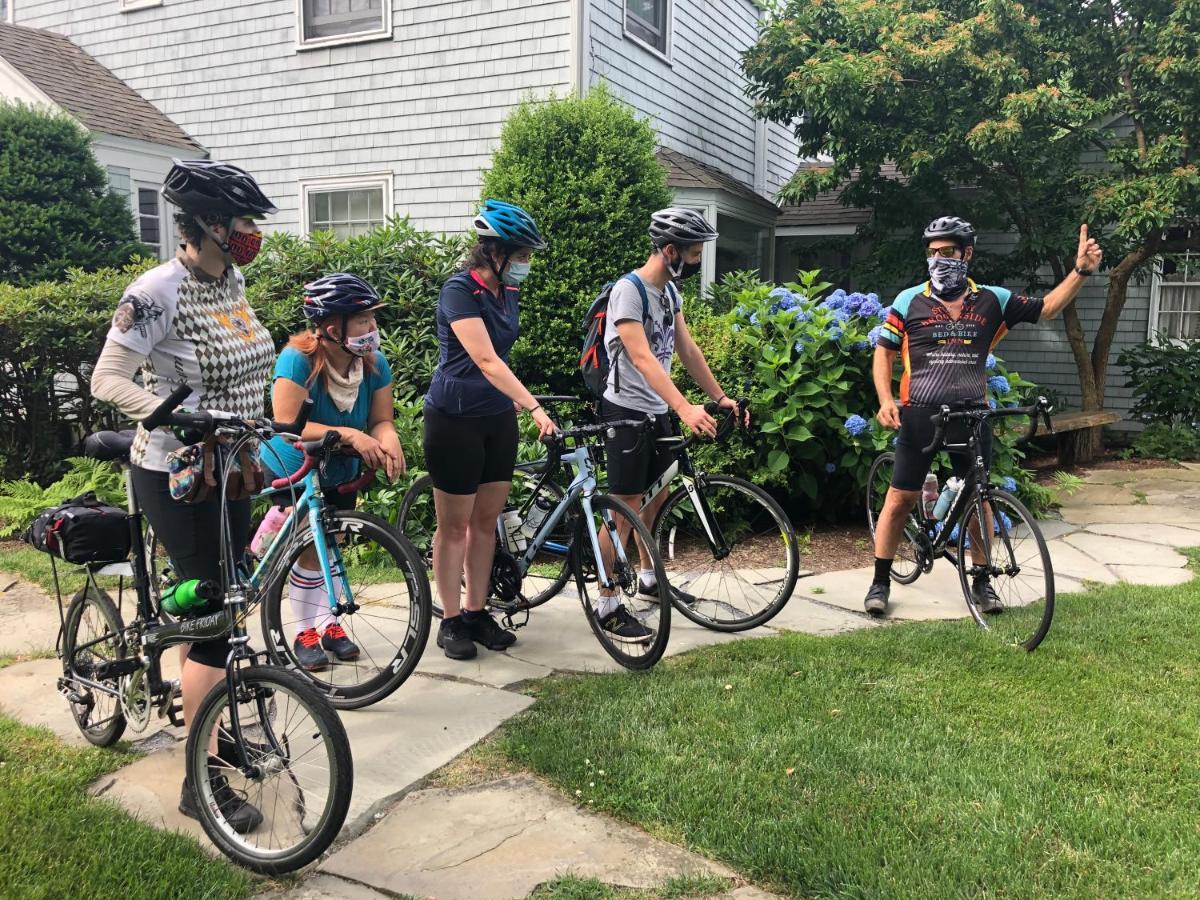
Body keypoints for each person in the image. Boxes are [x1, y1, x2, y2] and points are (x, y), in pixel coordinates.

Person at [90, 158, 280, 832]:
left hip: (230, 468)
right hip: (173, 470)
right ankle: (201, 783)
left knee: (228, 601)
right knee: (211, 620)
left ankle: (214, 729)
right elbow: (106, 379)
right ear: (206, 225)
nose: (252, 233)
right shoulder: (155, 291)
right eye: (242, 223)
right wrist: (174, 415)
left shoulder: (231, 279)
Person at [865, 216, 1103, 616]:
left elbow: (1046, 309)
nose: (939, 259)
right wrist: (886, 398)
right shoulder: (908, 301)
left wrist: (1080, 271)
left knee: (979, 497)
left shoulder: (993, 299)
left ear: (967, 254)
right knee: (900, 497)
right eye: (933, 252)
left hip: (973, 415)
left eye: (949, 252)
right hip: (921, 413)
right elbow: (884, 352)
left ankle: (982, 580)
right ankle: (880, 580)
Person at [595, 207, 748, 642]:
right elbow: (641, 356)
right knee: (623, 507)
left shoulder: (668, 295)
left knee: (657, 497)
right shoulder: (629, 291)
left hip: (656, 410)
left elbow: (687, 349)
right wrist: (684, 407)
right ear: (669, 251)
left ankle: (648, 578)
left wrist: (718, 397)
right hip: (624, 412)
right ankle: (606, 600)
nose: (697, 261)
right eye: (694, 254)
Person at [425, 200, 556, 660]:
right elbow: (485, 360)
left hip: (495, 419)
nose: (526, 265)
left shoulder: (508, 292)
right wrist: (534, 405)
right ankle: (451, 619)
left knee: (485, 523)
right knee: (454, 526)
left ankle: (477, 611)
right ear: (494, 253)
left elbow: (499, 364)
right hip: (454, 418)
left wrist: (516, 404)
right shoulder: (458, 291)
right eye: (521, 255)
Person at [259, 273, 405, 671]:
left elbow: (381, 420)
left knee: (332, 542)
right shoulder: (297, 359)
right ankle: (305, 631)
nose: (372, 328)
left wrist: (387, 437)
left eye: (372, 319)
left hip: (339, 467)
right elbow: (288, 425)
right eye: (362, 320)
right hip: (296, 464)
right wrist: (353, 435)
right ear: (329, 326)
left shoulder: (374, 364)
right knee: (309, 549)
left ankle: (329, 623)